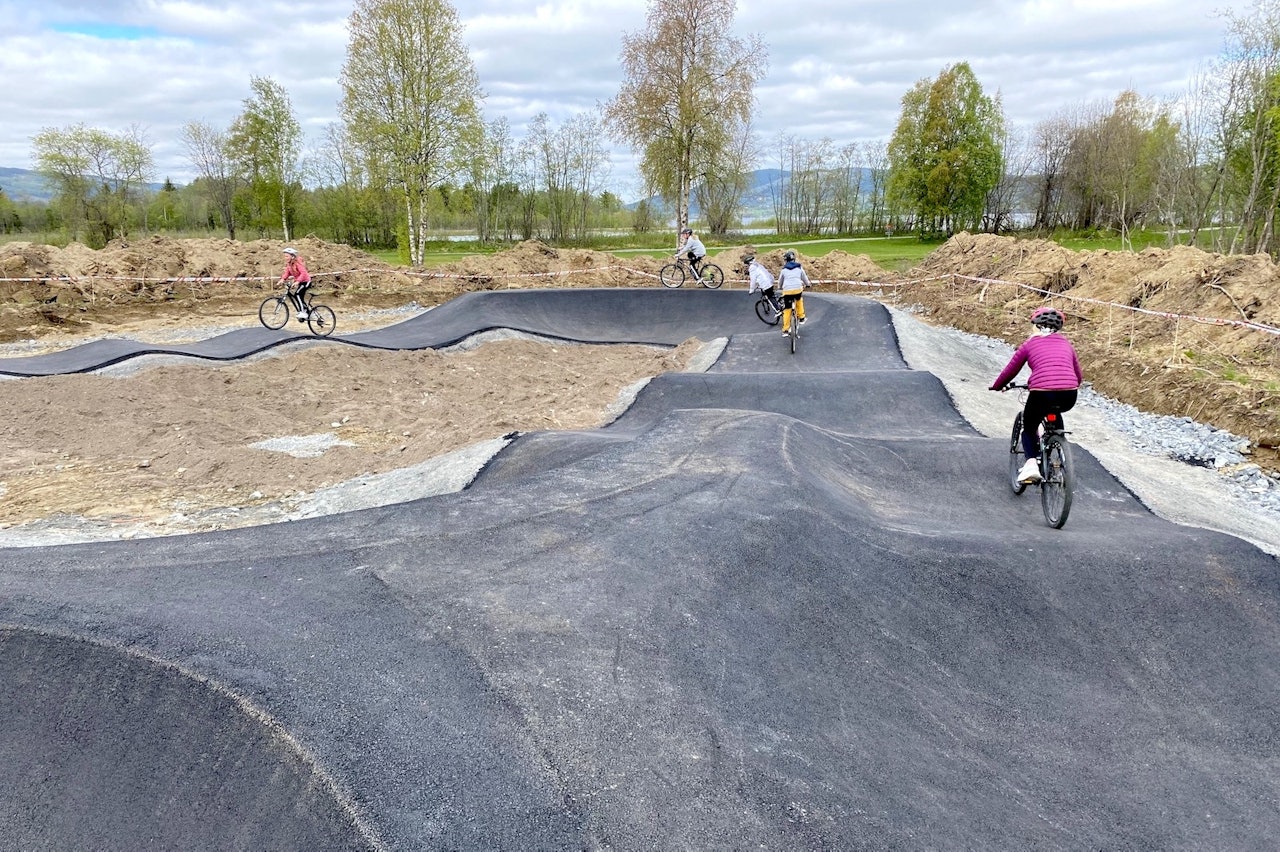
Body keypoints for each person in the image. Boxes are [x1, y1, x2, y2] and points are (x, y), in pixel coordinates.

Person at [989, 306, 1084, 483]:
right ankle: (1058, 443)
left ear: (1036, 326)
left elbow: (1011, 369)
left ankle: (1031, 464)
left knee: (1029, 427)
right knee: (1054, 412)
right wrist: (1069, 384)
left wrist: (997, 386)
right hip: (1069, 395)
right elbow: (1078, 375)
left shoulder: (1030, 344)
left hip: (1041, 394)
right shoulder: (1066, 344)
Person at [776, 249, 811, 336]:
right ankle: (802, 317)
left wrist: (779, 287)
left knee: (787, 309)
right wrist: (808, 284)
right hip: (797, 289)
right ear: (794, 259)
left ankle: (785, 330)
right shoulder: (799, 267)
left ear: (786, 260)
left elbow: (780, 281)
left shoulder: (784, 270)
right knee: (799, 300)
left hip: (787, 291)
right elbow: (804, 278)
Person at [279, 247, 312, 322]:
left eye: (287, 256)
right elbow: (287, 273)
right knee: (299, 298)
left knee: (297, 294)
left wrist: (297, 281)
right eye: (285, 256)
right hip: (300, 281)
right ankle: (307, 312)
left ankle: (302, 312)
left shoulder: (298, 263)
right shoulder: (289, 264)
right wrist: (282, 279)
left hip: (306, 281)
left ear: (292, 256)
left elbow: (303, 273)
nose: (285, 258)